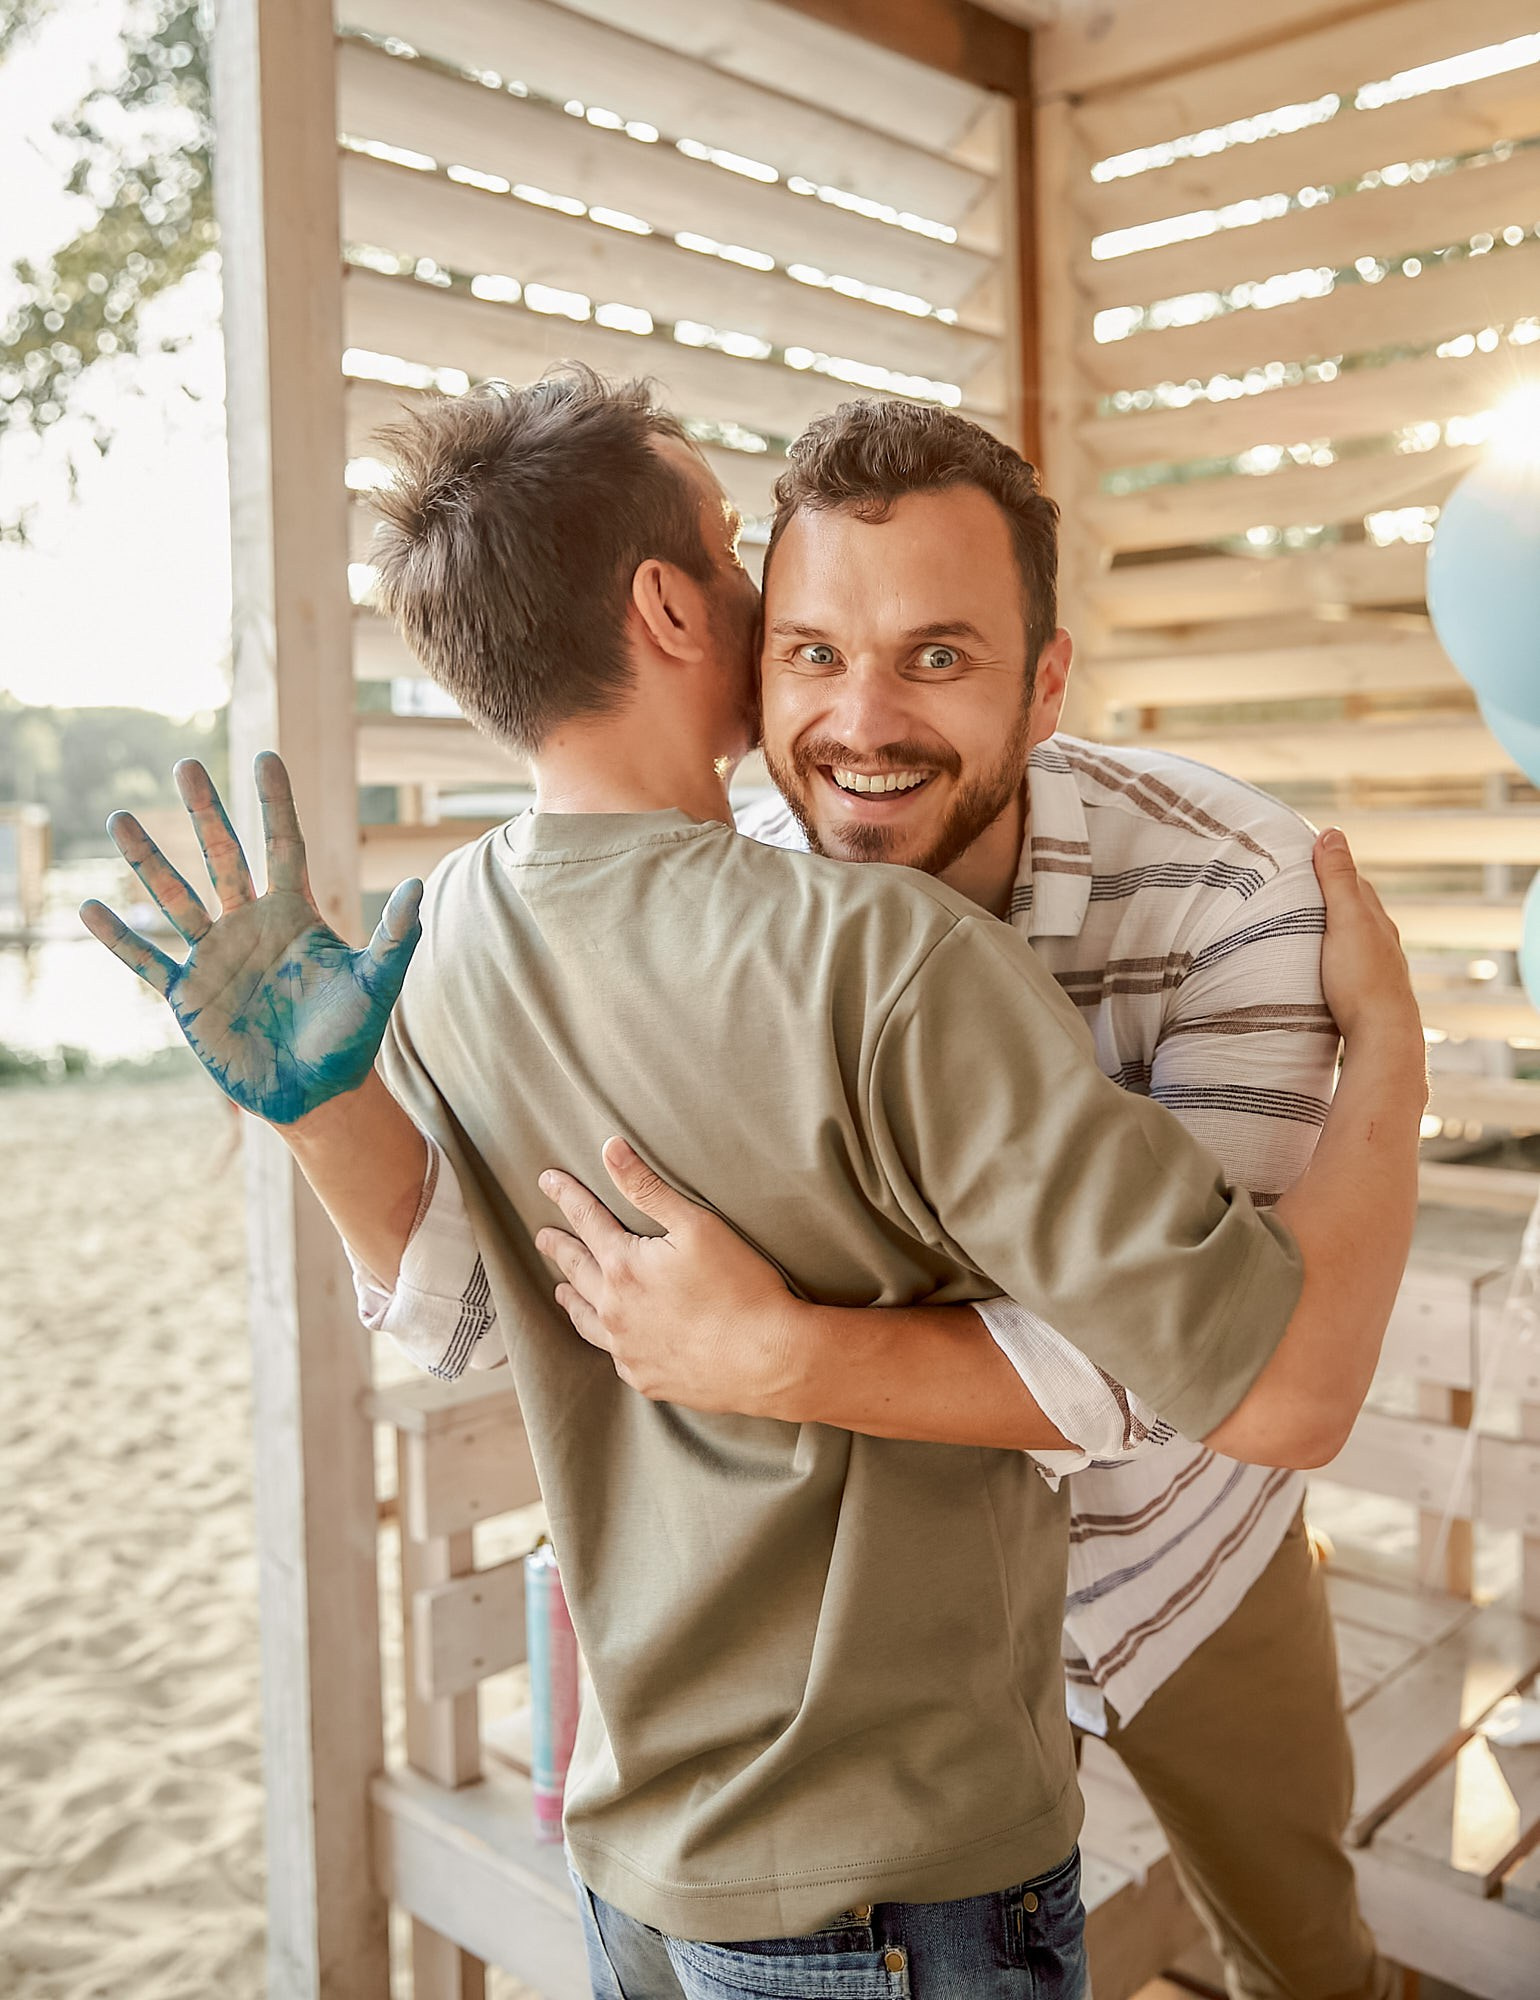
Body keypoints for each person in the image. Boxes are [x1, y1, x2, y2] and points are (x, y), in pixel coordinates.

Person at [81, 370, 1424, 2000]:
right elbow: (486, 1304)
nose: (857, 723)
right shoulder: (806, 918)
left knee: (1306, 1954)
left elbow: (1213, 1395)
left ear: (1047, 678)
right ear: (699, 618)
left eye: (938, 656)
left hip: (1169, 1563)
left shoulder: (1236, 891)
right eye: (802, 643)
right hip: (874, 1823)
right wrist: (326, 1120)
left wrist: (783, 1355)